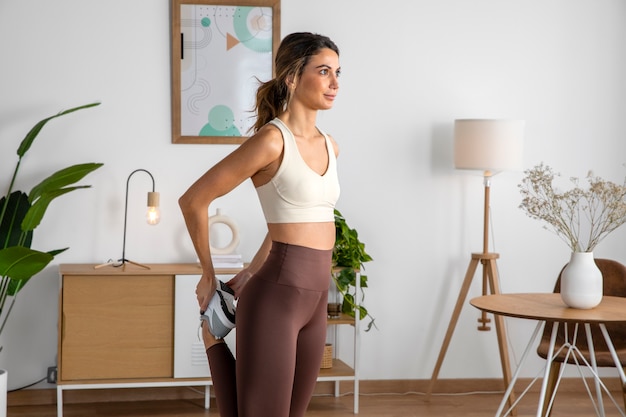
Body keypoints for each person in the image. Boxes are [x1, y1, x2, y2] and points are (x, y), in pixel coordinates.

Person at [178, 32, 341, 417]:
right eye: (323, 71)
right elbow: (193, 200)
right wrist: (207, 274)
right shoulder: (272, 141)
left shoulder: (330, 145)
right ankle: (212, 340)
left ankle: (211, 340)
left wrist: (250, 270)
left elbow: (286, 219)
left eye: (337, 72)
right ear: (292, 77)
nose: (335, 83)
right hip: (277, 300)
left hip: (317, 298)